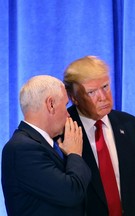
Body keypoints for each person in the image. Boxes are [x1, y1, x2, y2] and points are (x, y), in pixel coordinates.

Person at [63, 56, 135, 216]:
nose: (103, 97)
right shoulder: (62, 130)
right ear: (73, 97)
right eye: (92, 92)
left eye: (105, 86)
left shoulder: (130, 125)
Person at [1, 75, 91, 216]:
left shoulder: (47, 143)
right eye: (66, 105)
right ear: (51, 104)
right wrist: (75, 154)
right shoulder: (21, 149)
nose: (68, 114)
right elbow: (71, 193)